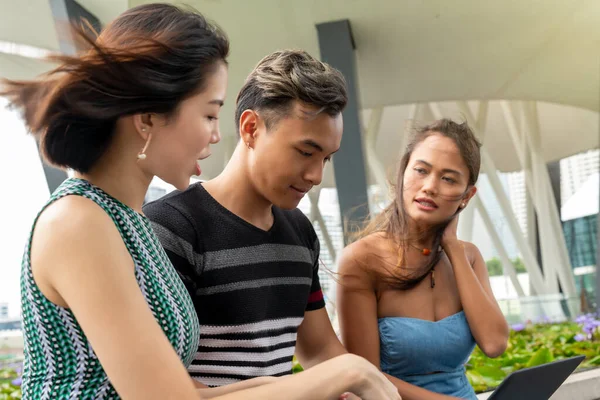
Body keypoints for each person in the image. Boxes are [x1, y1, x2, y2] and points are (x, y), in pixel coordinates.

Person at [2, 4, 399, 400]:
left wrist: (345, 375)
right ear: (149, 118)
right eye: (209, 115)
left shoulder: (125, 220)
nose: (214, 136)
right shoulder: (79, 221)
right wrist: (344, 373)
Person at [144, 49, 395, 396]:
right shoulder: (170, 228)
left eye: (327, 158)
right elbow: (158, 385)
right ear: (251, 128)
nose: (317, 175)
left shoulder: (300, 232)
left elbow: (319, 349)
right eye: (306, 152)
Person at [336, 119, 510, 400]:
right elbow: (365, 377)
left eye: (448, 178)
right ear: (403, 172)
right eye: (421, 170)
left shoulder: (469, 256)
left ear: (467, 196)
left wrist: (452, 247)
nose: (429, 186)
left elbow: (494, 344)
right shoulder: (361, 260)